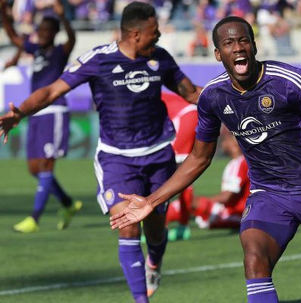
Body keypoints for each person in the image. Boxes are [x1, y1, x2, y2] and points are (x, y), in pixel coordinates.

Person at [110, 16, 301, 303]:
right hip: (268, 195)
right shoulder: (212, 97)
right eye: (229, 43)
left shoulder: (288, 80)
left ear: (254, 45)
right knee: (254, 261)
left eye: (244, 40)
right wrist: (153, 201)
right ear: (218, 53)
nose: (238, 48)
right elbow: (198, 158)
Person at [0, 2, 201, 302]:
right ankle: (140, 299)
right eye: (154, 32)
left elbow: (191, 92)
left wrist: (232, 99)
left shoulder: (160, 58)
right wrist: (20, 113)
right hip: (117, 159)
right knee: (128, 228)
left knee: (156, 230)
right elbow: (53, 90)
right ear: (135, 34)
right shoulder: (98, 60)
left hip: (159, 154)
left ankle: (154, 263)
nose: (159, 36)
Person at [1, 0, 81, 233]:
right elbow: (14, 37)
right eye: (41, 29)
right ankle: (68, 204)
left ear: (55, 33)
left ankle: (34, 219)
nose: (43, 33)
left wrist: (63, 17)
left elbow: (73, 39)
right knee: (34, 168)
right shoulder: (35, 50)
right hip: (35, 113)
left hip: (54, 111)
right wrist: (4, 13)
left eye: (48, 30)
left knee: (46, 166)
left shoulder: (59, 52)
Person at [166, 127, 250, 230]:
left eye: (224, 140)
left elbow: (227, 196)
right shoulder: (243, 162)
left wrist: (201, 202)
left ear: (233, 144)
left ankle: (158, 228)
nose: (222, 144)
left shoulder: (239, 163)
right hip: (238, 211)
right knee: (183, 205)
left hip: (235, 213)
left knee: (184, 205)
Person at [162, 91, 198, 241]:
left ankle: (160, 228)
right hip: (191, 115)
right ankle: (183, 226)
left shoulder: (139, 95)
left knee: (168, 175)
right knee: (184, 175)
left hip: (185, 118)